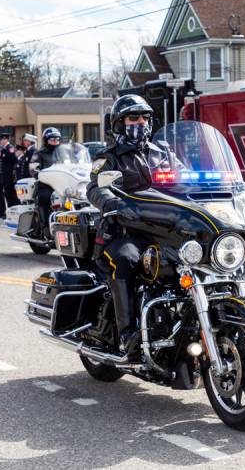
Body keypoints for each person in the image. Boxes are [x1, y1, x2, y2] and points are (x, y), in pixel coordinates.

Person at [86, 95, 155, 355]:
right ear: (119, 123)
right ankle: (128, 333)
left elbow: (187, 181)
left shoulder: (163, 154)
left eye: (145, 117)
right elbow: (94, 187)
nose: (141, 122)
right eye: (133, 117)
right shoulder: (108, 157)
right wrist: (111, 203)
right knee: (126, 259)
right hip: (124, 232)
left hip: (162, 230)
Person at [30, 127, 63, 238]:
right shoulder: (39, 154)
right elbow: (33, 168)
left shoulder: (62, 154)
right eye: (52, 140)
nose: (55, 142)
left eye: (57, 140)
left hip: (62, 186)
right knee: (44, 197)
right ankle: (45, 228)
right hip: (46, 186)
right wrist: (38, 172)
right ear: (46, 140)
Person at [0, 133, 19, 208]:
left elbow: (14, 162)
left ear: (5, 139)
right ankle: (10, 210)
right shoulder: (3, 149)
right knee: (7, 195)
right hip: (4, 176)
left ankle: (14, 209)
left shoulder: (10, 149)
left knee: (12, 195)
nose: (0, 142)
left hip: (9, 177)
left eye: (1, 140)